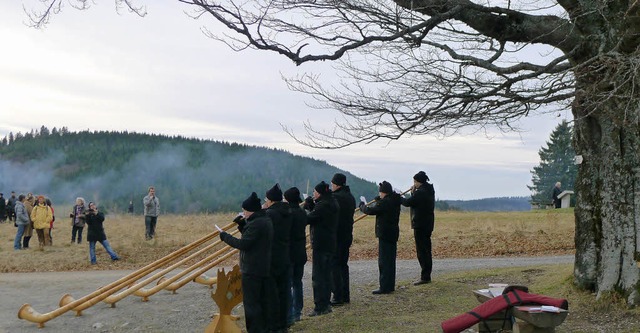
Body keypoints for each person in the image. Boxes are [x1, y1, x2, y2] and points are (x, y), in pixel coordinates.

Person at [219, 192, 273, 333]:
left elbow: (244, 244)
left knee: (251, 303)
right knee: (262, 301)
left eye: (244, 210)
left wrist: (225, 236)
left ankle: (255, 330)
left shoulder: (257, 223)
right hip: (262, 266)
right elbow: (253, 239)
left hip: (252, 269)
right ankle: (264, 328)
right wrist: (242, 225)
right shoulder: (263, 220)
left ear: (250, 210)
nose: (243, 212)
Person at [359, 181, 402, 294]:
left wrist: (362, 206)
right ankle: (390, 285)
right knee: (390, 261)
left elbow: (371, 210)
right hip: (392, 233)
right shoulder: (394, 200)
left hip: (385, 234)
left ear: (383, 192)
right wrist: (379, 200)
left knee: (384, 261)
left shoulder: (385, 203)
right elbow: (382, 206)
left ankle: (384, 287)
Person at [303, 181, 339, 317]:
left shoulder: (323, 205)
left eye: (314, 192)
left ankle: (320, 306)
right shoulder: (331, 202)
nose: (313, 194)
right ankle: (326, 304)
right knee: (326, 274)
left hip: (321, 244)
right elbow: (319, 216)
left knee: (319, 277)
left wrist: (306, 208)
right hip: (329, 243)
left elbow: (309, 218)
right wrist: (312, 205)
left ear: (319, 193)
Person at [263, 183, 291, 333]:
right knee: (283, 292)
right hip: (285, 254)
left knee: (272, 294)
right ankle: (283, 324)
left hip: (272, 256)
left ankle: (273, 326)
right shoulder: (288, 211)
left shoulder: (270, 214)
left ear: (271, 201)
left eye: (266, 199)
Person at [401, 171, 435, 285]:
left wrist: (398, 196)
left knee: (422, 251)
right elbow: (416, 202)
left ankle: (425, 277)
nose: (414, 183)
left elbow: (407, 203)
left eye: (415, 181)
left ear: (418, 182)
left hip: (421, 224)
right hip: (428, 224)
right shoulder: (429, 190)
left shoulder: (421, 193)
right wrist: (413, 192)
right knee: (426, 250)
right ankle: (426, 275)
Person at [329, 173, 356, 306]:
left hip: (337, 235)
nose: (331, 186)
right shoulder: (350, 196)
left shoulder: (336, 197)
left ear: (337, 185)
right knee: (343, 265)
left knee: (335, 265)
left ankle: (337, 295)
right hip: (347, 235)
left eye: (332, 184)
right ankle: (345, 295)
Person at [284, 186, 307, 324]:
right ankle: (297, 311)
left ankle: (290, 313)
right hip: (300, 251)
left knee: (288, 284)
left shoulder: (288, 214)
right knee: (298, 282)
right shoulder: (302, 212)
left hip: (290, 252)